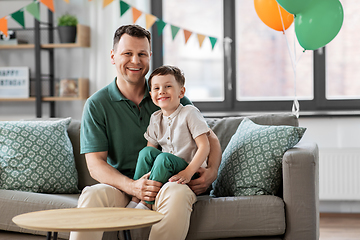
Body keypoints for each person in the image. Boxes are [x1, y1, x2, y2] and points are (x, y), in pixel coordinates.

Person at [69, 24, 221, 240]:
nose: (135, 61)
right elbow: (95, 165)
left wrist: (212, 172)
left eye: (142, 54)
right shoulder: (97, 104)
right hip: (123, 187)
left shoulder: (168, 95)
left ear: (149, 57)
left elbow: (210, 139)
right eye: (127, 53)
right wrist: (133, 187)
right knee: (93, 193)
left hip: (169, 183)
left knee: (177, 193)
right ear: (113, 56)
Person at [130, 65, 210, 210]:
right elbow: (150, 153)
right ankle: (137, 197)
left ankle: (146, 203)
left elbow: (205, 146)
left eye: (168, 86)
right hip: (167, 170)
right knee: (145, 153)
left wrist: (189, 172)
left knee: (164, 158)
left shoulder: (189, 113)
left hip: (190, 172)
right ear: (150, 93)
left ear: (181, 92)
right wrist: (149, 176)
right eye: (156, 88)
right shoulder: (155, 118)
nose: (162, 91)